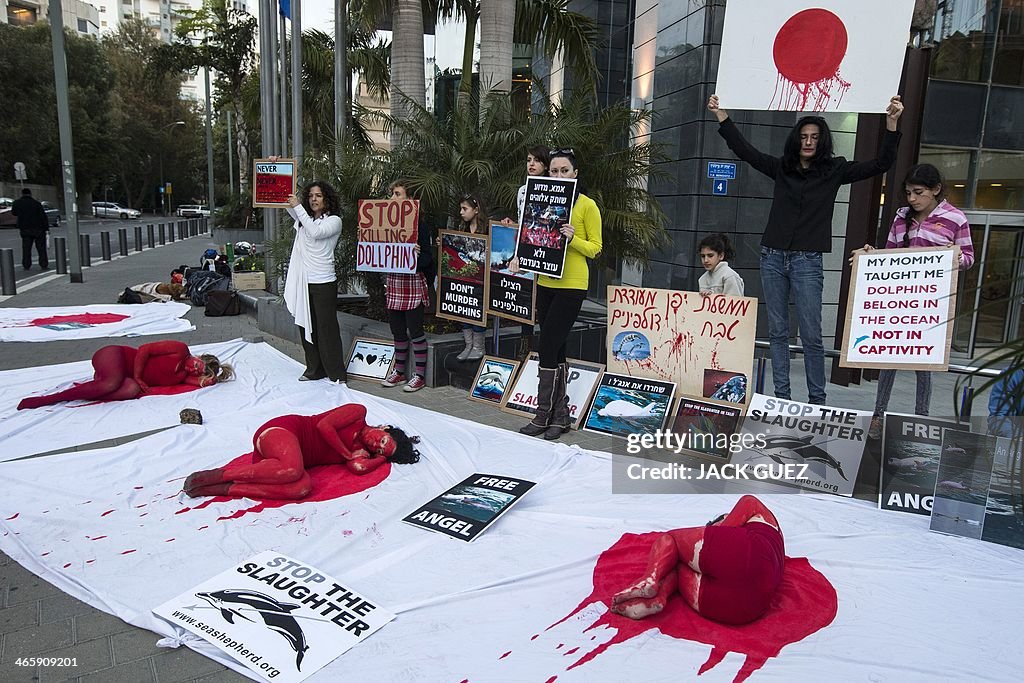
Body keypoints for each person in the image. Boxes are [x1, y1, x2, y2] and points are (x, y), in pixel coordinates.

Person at [708, 94, 904, 404]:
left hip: (807, 261)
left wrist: (891, 124)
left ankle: (816, 401)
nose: (808, 142)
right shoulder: (782, 168)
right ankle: (782, 397)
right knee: (777, 331)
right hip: (772, 256)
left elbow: (880, 164)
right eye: (803, 137)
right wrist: (723, 116)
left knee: (812, 334)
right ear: (796, 140)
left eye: (813, 137)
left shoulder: (834, 170)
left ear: (822, 141)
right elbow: (745, 151)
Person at [854, 164, 975, 439]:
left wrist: (955, 258)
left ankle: (920, 417)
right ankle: (878, 414)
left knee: (925, 361)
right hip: (901, 296)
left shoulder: (955, 218)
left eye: (918, 193)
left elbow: (968, 256)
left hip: (932, 299)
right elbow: (890, 254)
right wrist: (872, 255)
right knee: (889, 357)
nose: (912, 199)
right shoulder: (901, 216)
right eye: (908, 193)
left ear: (935, 190)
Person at [518, 148, 603, 440]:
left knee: (548, 344)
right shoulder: (541, 201)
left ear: (575, 174)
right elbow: (531, 235)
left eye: (564, 170)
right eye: (554, 171)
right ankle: (559, 414)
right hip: (545, 282)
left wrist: (573, 238)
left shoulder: (587, 206)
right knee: (558, 348)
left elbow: (596, 247)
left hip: (572, 284)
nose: (558, 176)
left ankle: (544, 414)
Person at [183, 404, 421, 500]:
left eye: (379, 449)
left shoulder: (361, 451)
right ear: (384, 428)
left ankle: (224, 488)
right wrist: (347, 453)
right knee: (292, 469)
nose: (376, 444)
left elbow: (358, 468)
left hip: (281, 461)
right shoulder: (358, 413)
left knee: (302, 488)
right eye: (382, 440)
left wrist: (379, 459)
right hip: (283, 432)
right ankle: (219, 475)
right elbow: (323, 427)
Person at [610, 495, 784, 625]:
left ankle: (650, 579)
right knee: (678, 567)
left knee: (672, 540)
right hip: (744, 610)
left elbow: (748, 501)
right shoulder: (776, 545)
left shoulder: (755, 516)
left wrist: (714, 529)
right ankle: (659, 596)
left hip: (745, 554)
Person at [17, 340, 233, 410]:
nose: (195, 369)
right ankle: (49, 399)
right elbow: (144, 350)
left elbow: (202, 383)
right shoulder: (179, 348)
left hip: (123, 377)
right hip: (116, 356)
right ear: (198, 356)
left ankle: (98, 385)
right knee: (115, 383)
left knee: (129, 390)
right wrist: (139, 377)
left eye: (199, 371)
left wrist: (212, 376)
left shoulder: (183, 377)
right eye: (199, 364)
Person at [284, 180, 347, 384]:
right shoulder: (305, 219)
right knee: (306, 327)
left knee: (326, 329)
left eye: (318, 195)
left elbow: (315, 232)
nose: (313, 199)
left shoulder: (334, 221)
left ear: (327, 198)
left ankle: (336, 374)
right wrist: (276, 169)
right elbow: (286, 202)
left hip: (324, 282)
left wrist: (298, 208)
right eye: (310, 196)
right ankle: (314, 370)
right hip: (304, 281)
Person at [380, 180, 434, 392]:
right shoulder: (383, 223)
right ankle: (399, 372)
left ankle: (419, 375)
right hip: (394, 282)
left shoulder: (420, 225)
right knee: (397, 330)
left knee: (416, 329)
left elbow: (428, 258)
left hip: (412, 283)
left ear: (410, 199)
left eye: (398, 194)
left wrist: (416, 258)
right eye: (392, 194)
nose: (393, 198)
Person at [503, 145, 551, 360]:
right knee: (525, 300)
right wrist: (512, 224)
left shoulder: (556, 189)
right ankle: (525, 349)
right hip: (526, 250)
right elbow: (525, 221)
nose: (531, 164)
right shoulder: (522, 191)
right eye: (529, 160)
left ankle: (546, 350)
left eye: (536, 160)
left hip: (549, 251)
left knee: (544, 304)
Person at [454, 193, 490, 362]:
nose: (461, 212)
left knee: (478, 312)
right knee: (465, 311)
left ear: (476, 210)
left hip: (482, 280)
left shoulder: (488, 229)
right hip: (465, 278)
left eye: (464, 208)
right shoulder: (461, 229)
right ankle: (468, 345)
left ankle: (478, 346)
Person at [12, 188, 49, 271]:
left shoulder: (17, 203)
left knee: (26, 248)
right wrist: (46, 228)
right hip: (38, 228)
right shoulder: (36, 204)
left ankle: (26, 264)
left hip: (25, 228)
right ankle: (43, 264)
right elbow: (43, 216)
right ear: (30, 194)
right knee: (41, 248)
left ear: (22, 194)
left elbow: (14, 213)